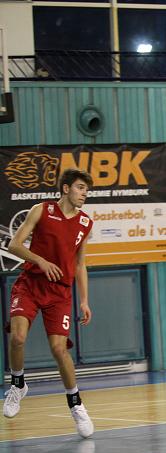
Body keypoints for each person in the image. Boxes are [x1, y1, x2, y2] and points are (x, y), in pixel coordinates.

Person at [3, 168, 95, 437]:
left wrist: (85, 301)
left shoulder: (85, 223)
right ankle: (18, 384)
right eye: (80, 188)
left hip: (60, 293)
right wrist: (41, 261)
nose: (84, 194)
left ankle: (76, 404)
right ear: (66, 188)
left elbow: (80, 264)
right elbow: (14, 245)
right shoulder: (41, 210)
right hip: (30, 284)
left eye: (87, 190)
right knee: (17, 338)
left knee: (58, 349)